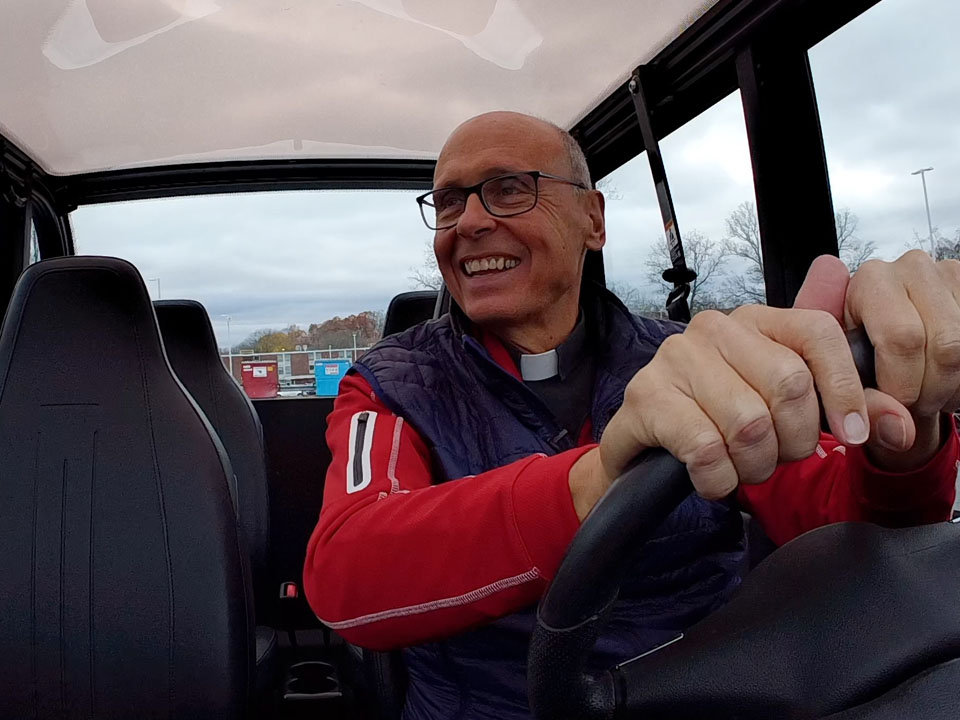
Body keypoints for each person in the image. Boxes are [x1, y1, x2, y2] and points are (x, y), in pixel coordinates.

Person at [303, 111, 959, 719]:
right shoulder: (392, 382)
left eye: (508, 189)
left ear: (593, 219)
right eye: (449, 200)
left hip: (705, 695)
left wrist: (901, 444)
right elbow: (346, 572)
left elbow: (846, 529)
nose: (468, 221)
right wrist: (593, 484)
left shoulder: (689, 357)